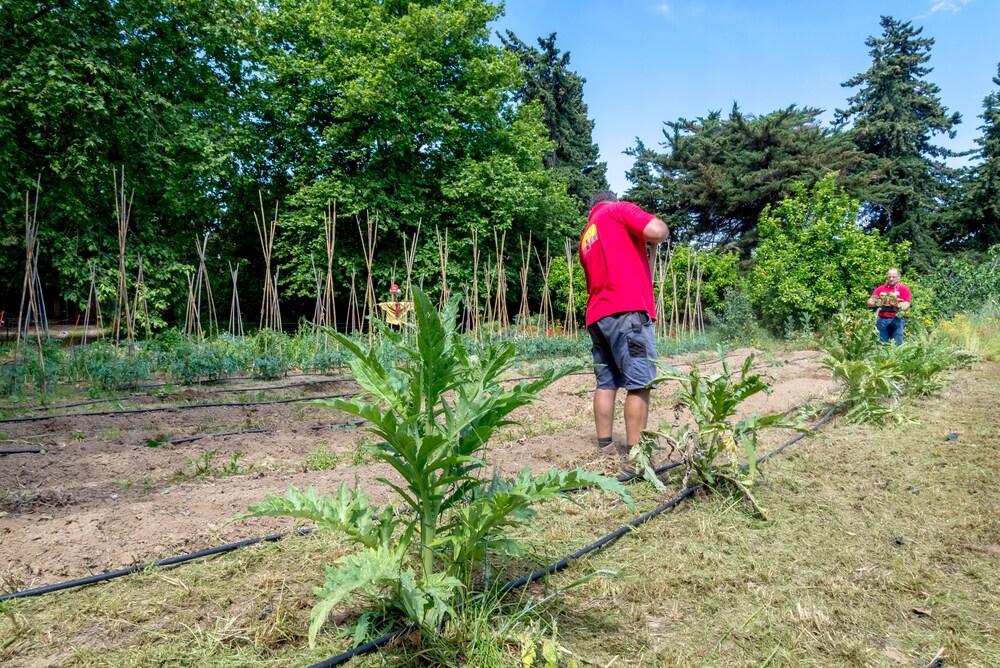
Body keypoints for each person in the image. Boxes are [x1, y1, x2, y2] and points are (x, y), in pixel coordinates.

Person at [579, 191, 669, 470]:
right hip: (627, 313)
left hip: (598, 317)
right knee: (640, 383)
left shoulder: (586, 237)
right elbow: (656, 230)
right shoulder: (618, 210)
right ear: (611, 200)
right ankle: (636, 459)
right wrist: (663, 227)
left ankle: (605, 448)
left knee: (606, 383)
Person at [867, 268, 911, 345]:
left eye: (893, 277)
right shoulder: (880, 289)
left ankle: (895, 357)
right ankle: (881, 357)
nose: (891, 279)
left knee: (897, 344)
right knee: (881, 344)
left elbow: (907, 304)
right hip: (882, 320)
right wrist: (877, 303)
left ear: (898, 277)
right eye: (889, 277)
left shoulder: (904, 289)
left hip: (897, 319)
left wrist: (900, 307)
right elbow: (869, 302)